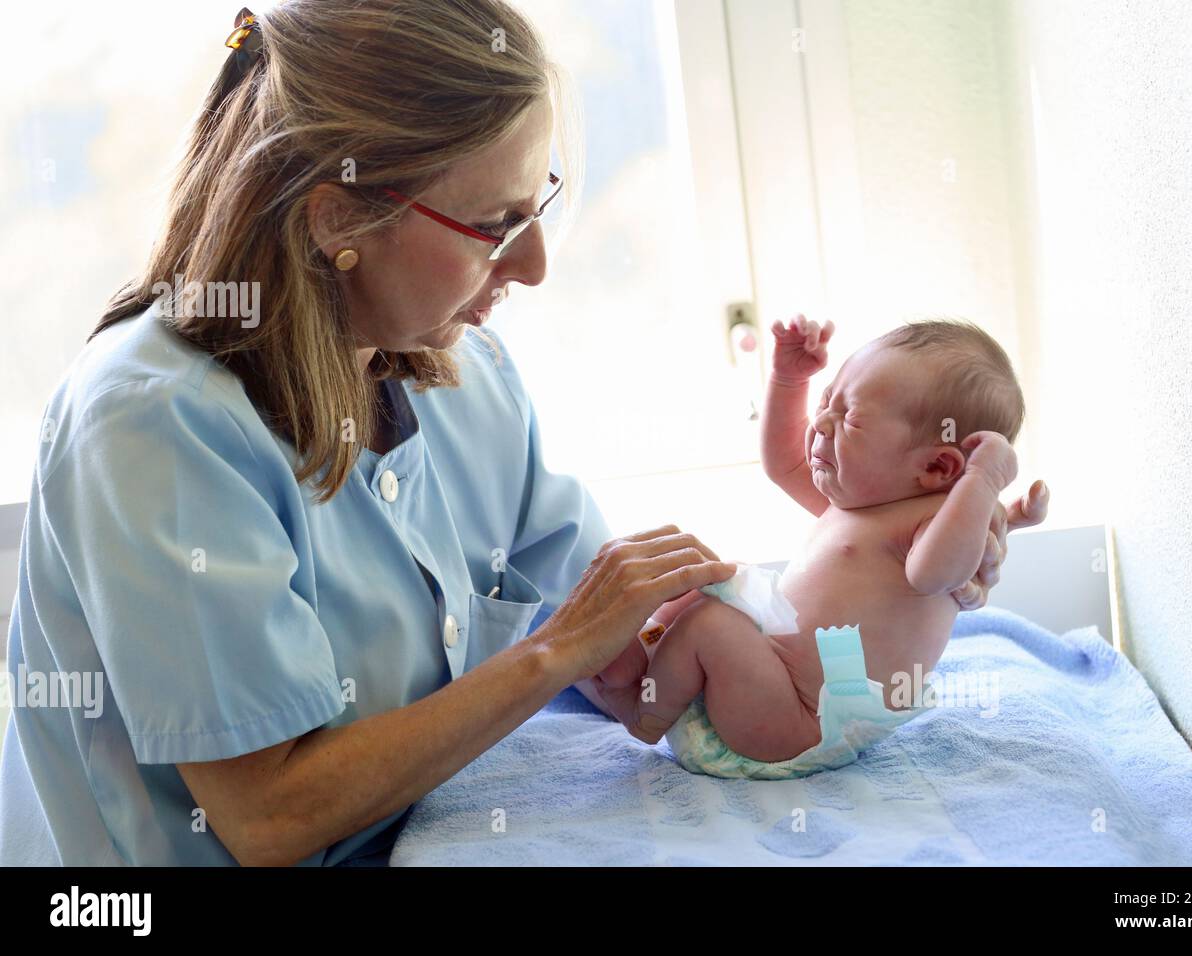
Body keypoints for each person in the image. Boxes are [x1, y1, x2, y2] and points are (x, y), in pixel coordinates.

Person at [0, 0, 1047, 866]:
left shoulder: (463, 374)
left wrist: (882, 591)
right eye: (495, 224)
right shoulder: (153, 426)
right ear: (333, 220)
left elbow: (610, 637)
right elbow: (273, 814)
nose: (537, 263)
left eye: (536, 201)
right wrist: (554, 651)